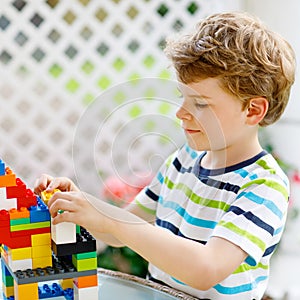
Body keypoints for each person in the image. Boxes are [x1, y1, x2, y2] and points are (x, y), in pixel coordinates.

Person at [34, 12, 296, 299]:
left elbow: (205, 269)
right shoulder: (183, 161)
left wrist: (115, 223)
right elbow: (121, 231)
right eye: (183, 97)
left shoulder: (263, 186)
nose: (181, 112)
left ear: (253, 110)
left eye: (200, 104)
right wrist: (81, 208)